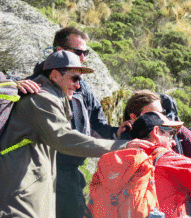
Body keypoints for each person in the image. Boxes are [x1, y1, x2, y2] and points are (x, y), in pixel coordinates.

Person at [0, 51, 147, 218]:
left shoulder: (52, 98)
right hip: (20, 195)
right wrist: (122, 146)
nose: (78, 86)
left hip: (26, 191)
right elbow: (64, 138)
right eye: (74, 78)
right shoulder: (42, 100)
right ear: (55, 75)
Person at [17, 27, 129, 218]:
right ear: (59, 50)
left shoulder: (81, 86)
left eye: (85, 53)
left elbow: (96, 124)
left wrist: (119, 135)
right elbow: (62, 138)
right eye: (78, 52)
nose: (83, 58)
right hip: (42, 172)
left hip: (72, 172)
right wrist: (12, 85)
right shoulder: (35, 87)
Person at [121, 90, 191, 217]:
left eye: (161, 113)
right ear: (134, 117)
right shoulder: (125, 140)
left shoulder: (180, 135)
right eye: (152, 114)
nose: (159, 119)